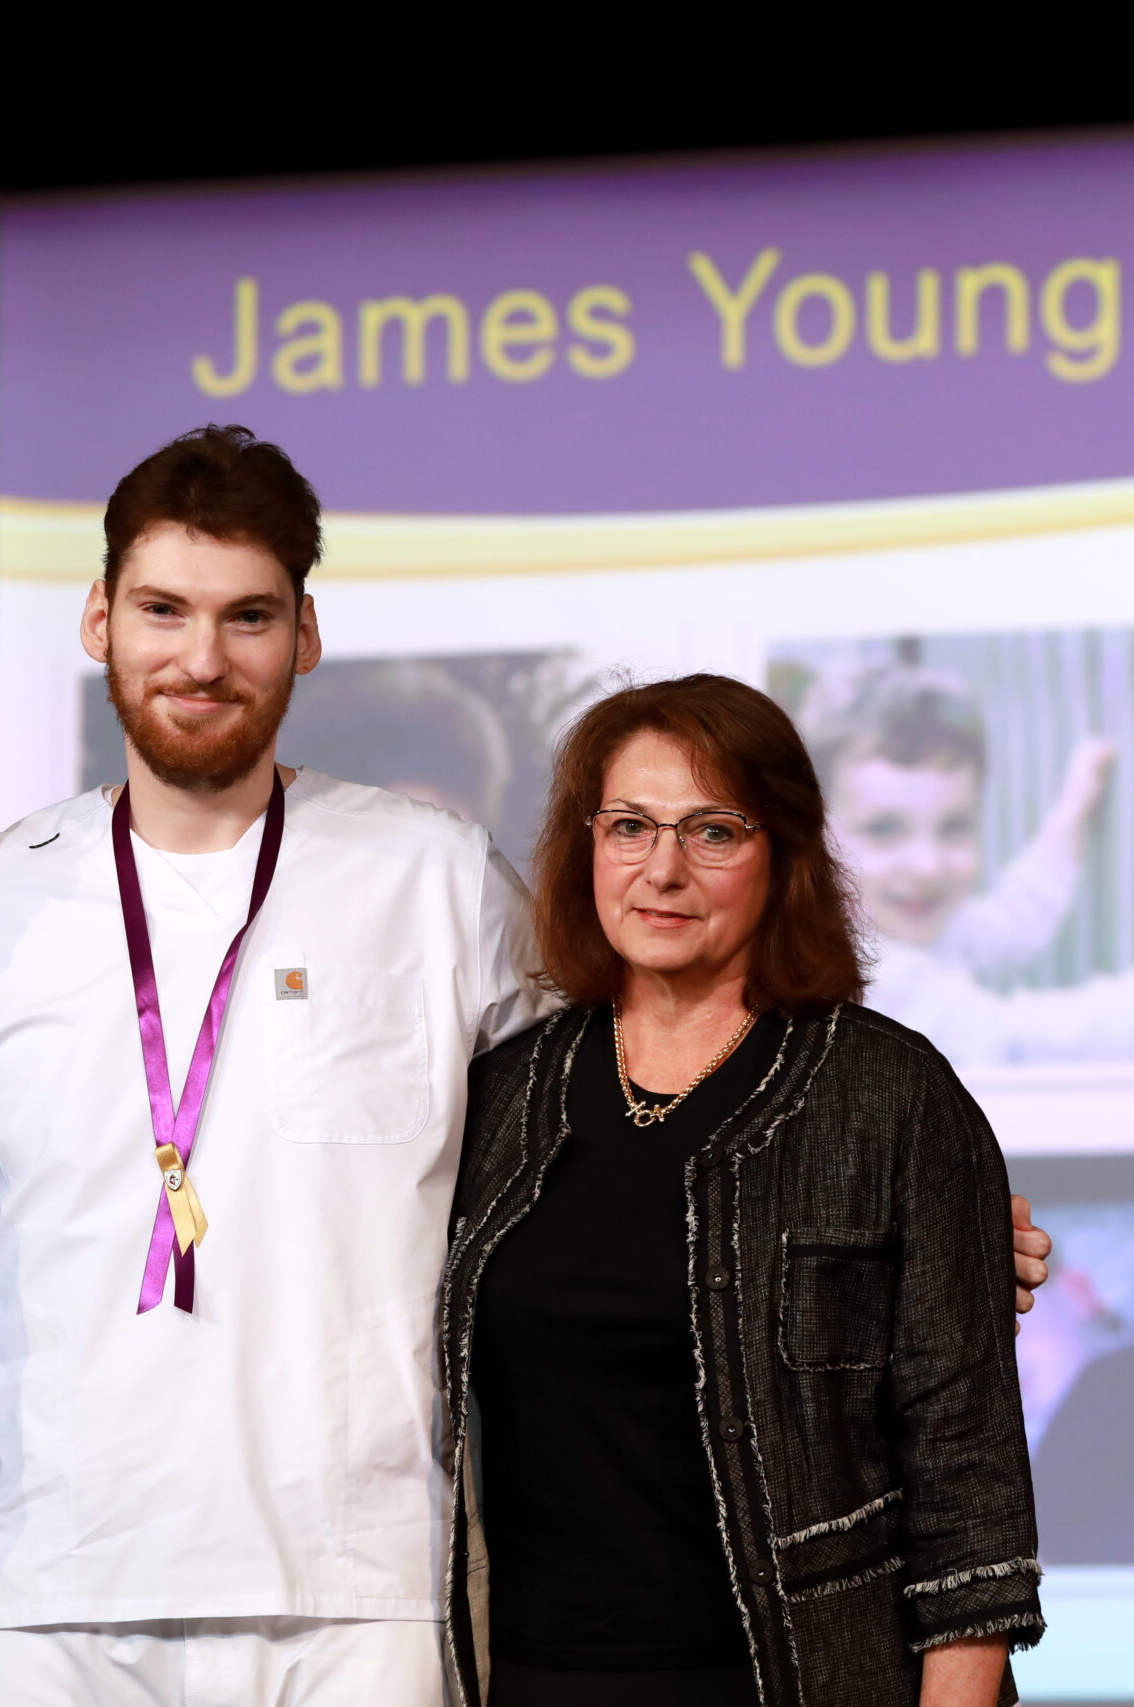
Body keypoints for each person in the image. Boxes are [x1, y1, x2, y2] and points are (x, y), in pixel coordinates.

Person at [0, 427, 1049, 1706]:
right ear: (99, 619)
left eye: (248, 617)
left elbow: (662, 1079)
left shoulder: (433, 876)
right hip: (33, 1594)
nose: (202, 657)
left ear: (306, 635)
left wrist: (921, 1235)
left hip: (359, 1595)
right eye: (163, 609)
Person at [442, 675, 1045, 1707]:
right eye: (629, 826)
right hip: (534, 1680)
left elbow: (968, 1489)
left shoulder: (889, 1097)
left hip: (803, 1678)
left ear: (784, 854)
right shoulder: (500, 1096)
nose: (662, 870)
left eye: (712, 832)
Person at [803, 659, 1134, 1070]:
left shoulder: (902, 928)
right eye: (883, 829)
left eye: (954, 827)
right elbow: (1014, 1043)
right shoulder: (857, 974)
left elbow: (1016, 920)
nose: (927, 866)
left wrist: (1075, 811)